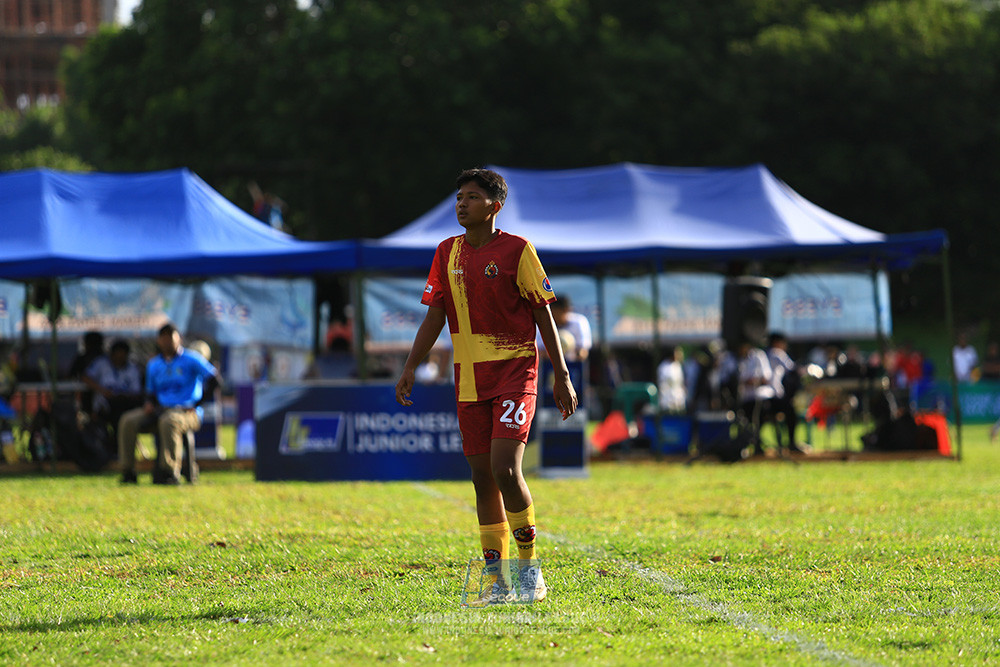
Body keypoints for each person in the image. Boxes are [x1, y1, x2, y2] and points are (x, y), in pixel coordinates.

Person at [394, 168, 577, 606]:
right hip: (470, 378)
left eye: (472, 197)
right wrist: (410, 366)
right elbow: (435, 316)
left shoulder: (518, 250)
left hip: (516, 373)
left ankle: (531, 572)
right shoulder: (446, 253)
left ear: (494, 206)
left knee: (505, 469)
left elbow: (542, 314)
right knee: (481, 479)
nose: (461, 203)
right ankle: (496, 583)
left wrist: (562, 373)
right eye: (459, 196)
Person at [117, 323, 219, 485]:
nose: (167, 342)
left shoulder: (192, 359)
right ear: (158, 341)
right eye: (163, 338)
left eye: (170, 337)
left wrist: (196, 404)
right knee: (128, 420)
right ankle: (128, 471)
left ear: (179, 339)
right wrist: (149, 403)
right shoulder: (154, 365)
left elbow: (215, 380)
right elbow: (150, 392)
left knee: (169, 421)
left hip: (186, 412)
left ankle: (170, 471)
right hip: (160, 409)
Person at [82, 339, 145, 454]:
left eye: (122, 355)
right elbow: (85, 377)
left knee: (121, 416)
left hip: (124, 406)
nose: (119, 358)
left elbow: (136, 392)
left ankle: (119, 452)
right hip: (103, 405)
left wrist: (122, 395)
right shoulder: (101, 364)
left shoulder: (132, 369)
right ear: (111, 354)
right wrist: (102, 390)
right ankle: (109, 451)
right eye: (117, 355)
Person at [766, 332, 805, 454]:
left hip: (764, 396)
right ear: (777, 342)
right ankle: (791, 443)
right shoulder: (777, 353)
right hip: (774, 396)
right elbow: (793, 369)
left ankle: (781, 443)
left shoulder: (764, 354)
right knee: (791, 413)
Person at [656, 345, 686, 413]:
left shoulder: (678, 365)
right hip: (667, 400)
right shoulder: (663, 366)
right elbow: (662, 384)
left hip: (679, 400)